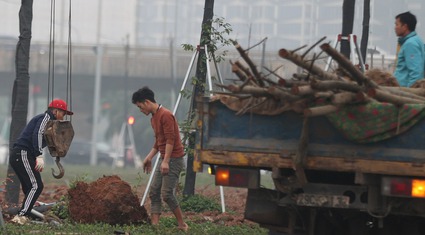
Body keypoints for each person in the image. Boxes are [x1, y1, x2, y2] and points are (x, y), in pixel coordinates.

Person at [131, 86, 188, 231]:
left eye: (140, 107)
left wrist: (166, 161)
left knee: (167, 194)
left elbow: (170, 139)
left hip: (173, 159)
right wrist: (149, 157)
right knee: (154, 191)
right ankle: (155, 225)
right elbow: (159, 141)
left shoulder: (166, 115)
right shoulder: (154, 118)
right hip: (164, 158)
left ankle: (182, 224)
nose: (140, 110)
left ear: (147, 102)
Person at [9, 99, 73, 224]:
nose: (63, 117)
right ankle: (21, 215)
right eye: (62, 113)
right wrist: (39, 155)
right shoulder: (45, 118)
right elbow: (37, 134)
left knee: (30, 187)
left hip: (22, 155)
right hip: (23, 153)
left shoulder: (49, 123)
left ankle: (25, 213)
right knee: (36, 185)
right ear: (55, 111)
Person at [393, 11, 425, 87]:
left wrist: (410, 92)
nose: (395, 27)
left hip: (404, 91)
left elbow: (416, 73)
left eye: (397, 24)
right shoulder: (416, 40)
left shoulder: (410, 44)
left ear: (405, 27)